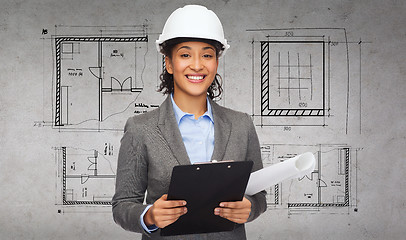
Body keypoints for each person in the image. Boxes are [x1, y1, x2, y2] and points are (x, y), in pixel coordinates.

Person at [112, 5, 267, 240]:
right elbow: (123, 205)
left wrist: (250, 207)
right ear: (169, 63)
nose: (197, 65)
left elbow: (259, 196)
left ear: (216, 62)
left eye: (207, 55)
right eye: (185, 55)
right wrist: (150, 215)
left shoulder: (241, 124)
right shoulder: (140, 128)